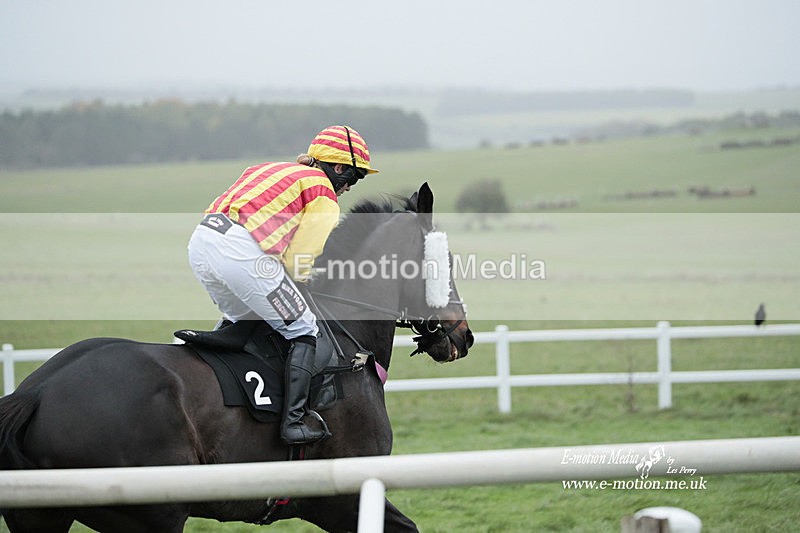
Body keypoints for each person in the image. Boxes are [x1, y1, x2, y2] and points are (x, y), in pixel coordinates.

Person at [187, 125, 378, 444]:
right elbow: (298, 259)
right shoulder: (323, 192)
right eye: (353, 179)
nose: (347, 189)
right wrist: (304, 282)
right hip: (240, 255)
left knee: (250, 315)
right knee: (303, 327)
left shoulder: (269, 168)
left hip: (201, 244)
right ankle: (294, 421)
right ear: (339, 168)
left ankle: (226, 341)